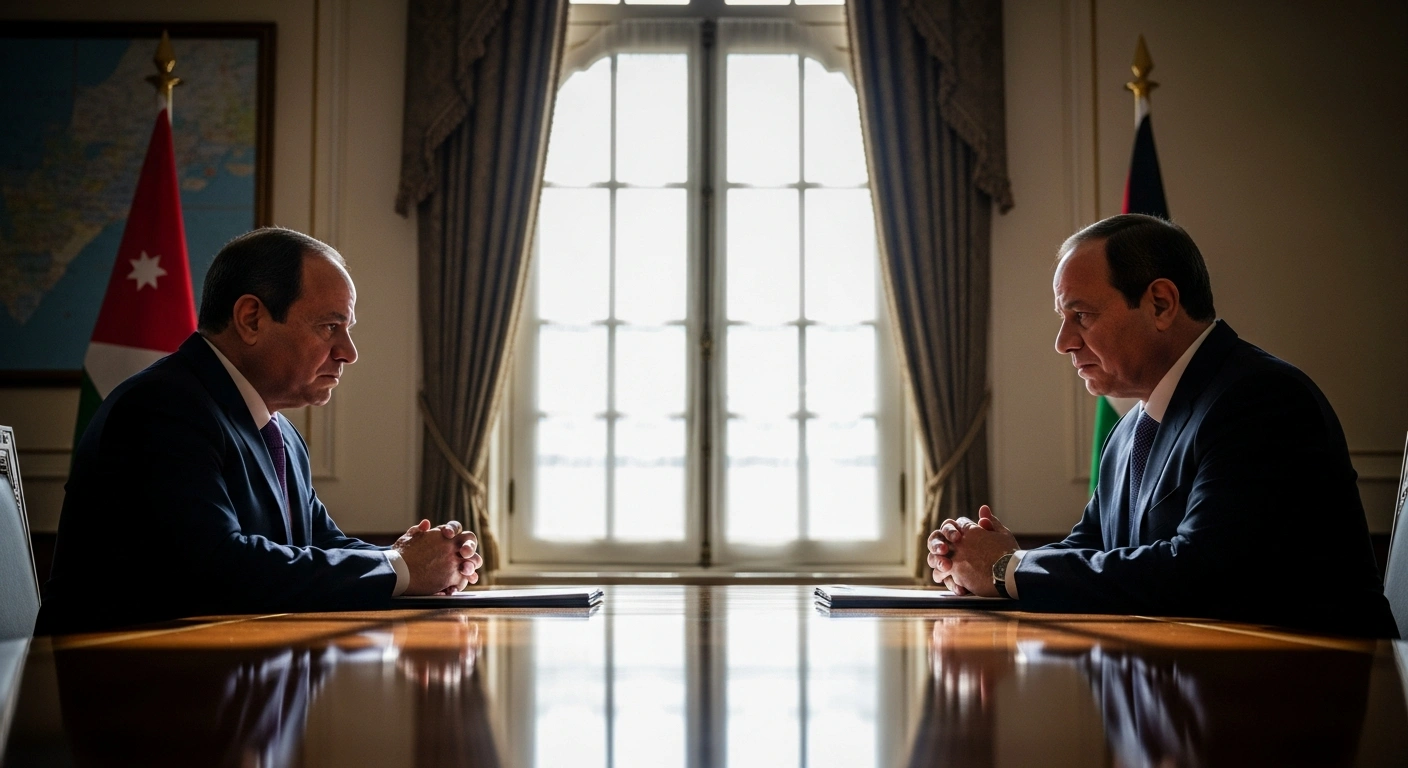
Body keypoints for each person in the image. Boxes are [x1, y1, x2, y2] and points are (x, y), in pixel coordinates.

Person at [928, 214, 1397, 638]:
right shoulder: (1131, 428)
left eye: (1082, 316)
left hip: (1301, 697)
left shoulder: (1261, 399)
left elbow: (1199, 573)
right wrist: (989, 557)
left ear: (1160, 303)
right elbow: (1094, 547)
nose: (1063, 342)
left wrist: (1009, 568)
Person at [37, 228, 482, 634]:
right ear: (251, 318)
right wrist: (398, 568)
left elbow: (318, 544)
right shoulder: (160, 409)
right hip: (129, 693)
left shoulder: (279, 431)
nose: (349, 352)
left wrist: (420, 557)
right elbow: (220, 569)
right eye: (330, 326)